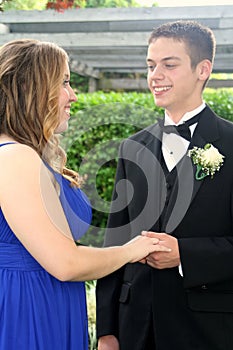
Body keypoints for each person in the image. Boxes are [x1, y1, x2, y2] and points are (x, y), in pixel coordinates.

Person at [0, 38, 170, 350]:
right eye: (64, 82)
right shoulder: (14, 157)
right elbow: (65, 263)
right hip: (26, 309)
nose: (73, 96)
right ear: (31, 88)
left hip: (48, 300)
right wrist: (133, 249)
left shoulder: (31, 156)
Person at [96, 20, 233, 350]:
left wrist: (184, 254)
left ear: (203, 69)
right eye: (150, 65)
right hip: (134, 328)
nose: (155, 76)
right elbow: (115, 240)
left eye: (169, 65)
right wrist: (106, 331)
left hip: (207, 330)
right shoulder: (132, 147)